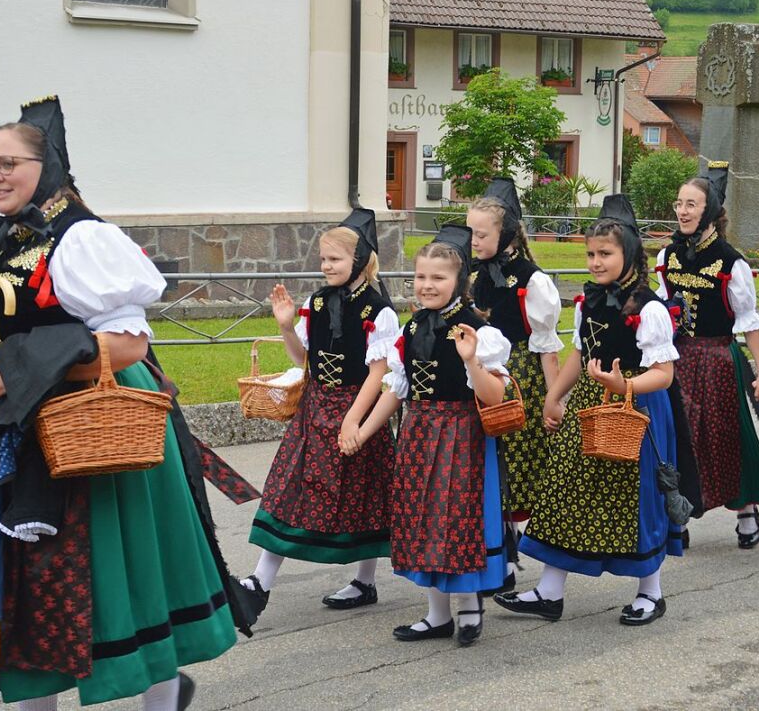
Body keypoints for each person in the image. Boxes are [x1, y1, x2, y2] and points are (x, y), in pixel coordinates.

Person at [0, 97, 241, 711]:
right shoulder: (2, 240)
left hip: (80, 423)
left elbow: (127, 343)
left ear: (44, 168)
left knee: (114, 575)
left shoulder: (81, 238)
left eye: (7, 163)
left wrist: (20, 372)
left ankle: (164, 694)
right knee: (17, 578)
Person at [495, 195, 688, 626]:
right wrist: (554, 396)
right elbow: (580, 355)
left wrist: (626, 386)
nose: (595, 262)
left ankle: (650, 593)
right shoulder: (590, 301)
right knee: (564, 487)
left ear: (629, 253)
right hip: (588, 404)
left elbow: (665, 373)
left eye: (605, 254)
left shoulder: (649, 306)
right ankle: (549, 592)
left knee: (636, 501)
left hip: (637, 409)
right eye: (590, 254)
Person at [356, 225, 511, 646]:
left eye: (438, 278)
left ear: (459, 282)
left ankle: (469, 606)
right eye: (421, 277)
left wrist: (472, 361)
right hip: (419, 433)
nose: (427, 285)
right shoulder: (411, 330)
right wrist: (365, 431)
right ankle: (436, 614)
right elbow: (397, 389)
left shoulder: (476, 331)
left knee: (456, 518)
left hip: (463, 434)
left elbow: (496, 396)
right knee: (419, 517)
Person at [241, 209, 399, 612]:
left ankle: (364, 582)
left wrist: (353, 419)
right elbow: (303, 359)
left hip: (356, 407)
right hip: (314, 408)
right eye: (323, 259)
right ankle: (260, 580)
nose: (326, 266)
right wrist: (285, 326)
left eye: (335, 259)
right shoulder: (317, 300)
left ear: (359, 261)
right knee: (288, 484)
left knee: (365, 493)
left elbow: (378, 373)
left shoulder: (378, 311)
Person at [655, 162, 759, 548]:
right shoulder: (668, 255)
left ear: (709, 211)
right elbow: (659, 310)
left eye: (691, 204)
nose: (683, 211)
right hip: (678, 359)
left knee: (728, 434)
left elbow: (749, 321)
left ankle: (745, 510)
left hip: (718, 359)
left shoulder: (731, 261)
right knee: (679, 435)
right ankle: (679, 514)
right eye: (679, 204)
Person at [466, 178, 562, 588]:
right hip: (476, 376)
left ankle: (509, 555)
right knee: (485, 466)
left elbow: (547, 347)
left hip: (518, 376)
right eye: (469, 231)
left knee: (516, 469)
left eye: (481, 234)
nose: (472, 240)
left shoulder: (532, 281)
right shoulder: (471, 274)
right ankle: (498, 555)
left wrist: (554, 399)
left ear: (505, 234)